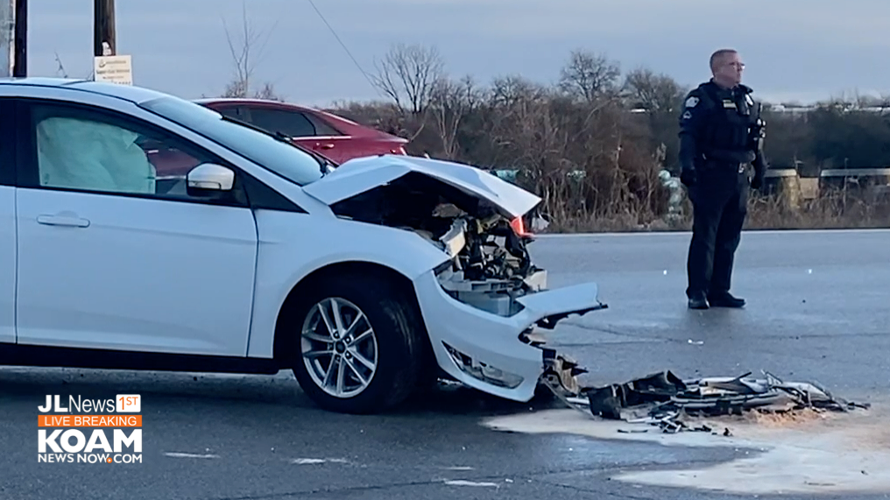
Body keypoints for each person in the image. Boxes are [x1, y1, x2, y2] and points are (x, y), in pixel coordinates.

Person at [678, 48, 768, 310]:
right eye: (733, 64)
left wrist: (760, 168)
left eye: (741, 64)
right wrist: (687, 167)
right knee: (706, 235)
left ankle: (720, 290)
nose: (739, 68)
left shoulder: (747, 100)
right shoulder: (702, 99)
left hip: (738, 176)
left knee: (730, 237)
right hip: (710, 174)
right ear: (717, 69)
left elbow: (756, 138)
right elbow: (688, 135)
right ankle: (698, 291)